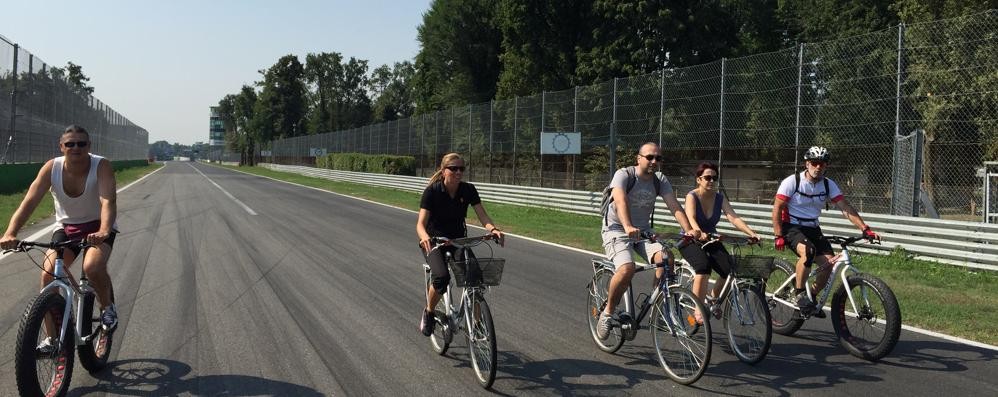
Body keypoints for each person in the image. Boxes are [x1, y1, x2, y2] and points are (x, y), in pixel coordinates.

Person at [1, 125, 120, 339]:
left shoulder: (101, 165)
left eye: (81, 143)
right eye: (70, 144)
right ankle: (53, 339)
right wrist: (10, 232)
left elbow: (107, 200)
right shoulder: (51, 168)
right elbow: (29, 202)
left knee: (92, 267)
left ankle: (107, 308)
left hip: (98, 226)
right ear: (61, 146)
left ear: (89, 146)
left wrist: (104, 230)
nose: (76, 148)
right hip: (67, 227)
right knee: (48, 276)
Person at [596, 142, 700, 340]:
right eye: (650, 157)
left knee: (667, 258)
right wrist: (627, 226)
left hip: (643, 231)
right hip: (617, 229)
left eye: (658, 158)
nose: (654, 161)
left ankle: (659, 305)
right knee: (627, 268)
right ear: (639, 158)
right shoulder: (625, 174)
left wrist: (689, 231)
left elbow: (674, 206)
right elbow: (620, 200)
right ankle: (607, 313)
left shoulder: (659, 180)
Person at [772, 146, 880, 317]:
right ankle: (800, 294)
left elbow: (845, 207)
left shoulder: (828, 184)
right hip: (791, 226)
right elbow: (777, 208)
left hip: (813, 227)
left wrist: (865, 228)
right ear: (807, 164)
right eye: (814, 163)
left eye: (822, 164)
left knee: (829, 263)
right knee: (807, 252)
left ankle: (811, 296)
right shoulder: (792, 181)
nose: (818, 167)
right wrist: (778, 235)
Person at [416, 153, 504, 336]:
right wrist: (425, 237)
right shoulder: (432, 191)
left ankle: (478, 323)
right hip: (435, 243)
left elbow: (482, 215)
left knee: (475, 280)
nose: (458, 172)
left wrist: (493, 229)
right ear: (443, 171)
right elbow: (420, 224)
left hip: (457, 242)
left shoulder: (468, 190)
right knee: (441, 277)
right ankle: (429, 312)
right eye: (453, 168)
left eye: (461, 169)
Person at [678, 162, 760, 323]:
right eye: (707, 177)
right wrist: (699, 232)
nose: (711, 181)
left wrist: (752, 233)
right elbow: (691, 218)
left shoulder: (719, 198)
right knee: (703, 267)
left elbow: (733, 217)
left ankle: (713, 301)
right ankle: (698, 309)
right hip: (690, 239)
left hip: (711, 238)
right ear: (699, 180)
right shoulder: (692, 196)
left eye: (714, 178)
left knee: (729, 269)